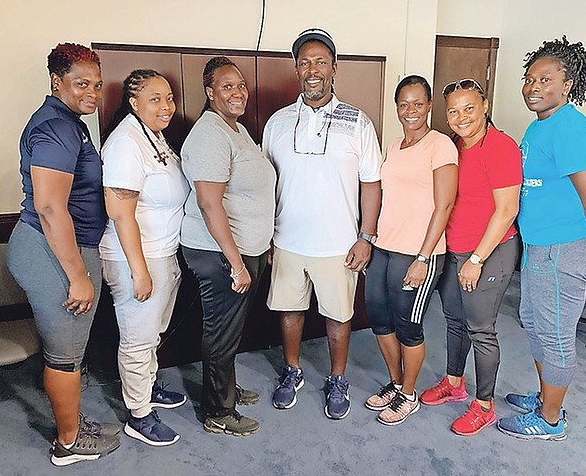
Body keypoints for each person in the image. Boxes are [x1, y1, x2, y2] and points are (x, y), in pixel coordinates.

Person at [498, 37, 586, 441]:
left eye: (545, 79)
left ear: (568, 85)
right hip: (539, 246)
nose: (532, 86)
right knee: (533, 321)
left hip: (564, 249)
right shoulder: (539, 125)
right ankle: (547, 397)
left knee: (556, 334)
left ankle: (551, 420)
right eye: (529, 78)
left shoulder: (569, 128)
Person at [7, 43, 120, 466]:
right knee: (65, 353)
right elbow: (51, 207)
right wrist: (77, 275)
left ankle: (73, 423)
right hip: (50, 251)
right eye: (80, 83)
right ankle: (68, 443)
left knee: (68, 349)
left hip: (58, 247)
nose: (91, 93)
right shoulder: (55, 126)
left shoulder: (69, 122)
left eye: (95, 84)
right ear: (57, 81)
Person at [263, 28, 382, 420]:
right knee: (290, 310)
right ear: (297, 70)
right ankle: (293, 370)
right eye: (304, 62)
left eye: (320, 61)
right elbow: (266, 183)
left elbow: (371, 184)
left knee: (338, 315)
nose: (312, 69)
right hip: (288, 241)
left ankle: (337, 378)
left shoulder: (358, 122)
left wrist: (366, 236)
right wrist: (266, 237)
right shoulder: (278, 123)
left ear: (334, 67)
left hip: (338, 245)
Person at [419, 78, 522, 436]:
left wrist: (476, 260)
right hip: (455, 249)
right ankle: (454, 383)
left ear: (485, 106)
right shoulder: (453, 147)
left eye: (469, 108)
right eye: (453, 110)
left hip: (489, 252)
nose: (461, 117)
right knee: (454, 321)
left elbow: (506, 210)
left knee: (481, 330)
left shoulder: (501, 147)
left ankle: (484, 405)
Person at [180, 57, 276, 436]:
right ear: (209, 92)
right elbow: (208, 203)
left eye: (240, 85)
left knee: (229, 330)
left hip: (242, 250)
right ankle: (218, 412)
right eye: (226, 86)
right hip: (219, 254)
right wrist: (236, 263)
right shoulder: (210, 135)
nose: (237, 92)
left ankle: (225, 390)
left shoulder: (233, 129)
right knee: (221, 331)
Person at [100, 69, 188, 446]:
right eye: (155, 99)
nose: (166, 106)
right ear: (134, 103)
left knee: (152, 333)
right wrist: (139, 271)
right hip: (135, 258)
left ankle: (148, 388)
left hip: (162, 253)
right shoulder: (126, 143)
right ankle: (139, 414)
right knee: (137, 338)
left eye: (169, 98)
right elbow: (120, 211)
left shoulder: (155, 137)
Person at [364, 76, 458, 425]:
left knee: (407, 325)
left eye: (418, 103)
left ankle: (409, 393)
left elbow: (444, 205)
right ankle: (395, 381)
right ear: (396, 107)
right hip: (385, 247)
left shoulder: (440, 146)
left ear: (429, 105)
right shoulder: (392, 146)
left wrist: (423, 257)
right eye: (404, 103)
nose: (410, 110)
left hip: (419, 253)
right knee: (378, 318)